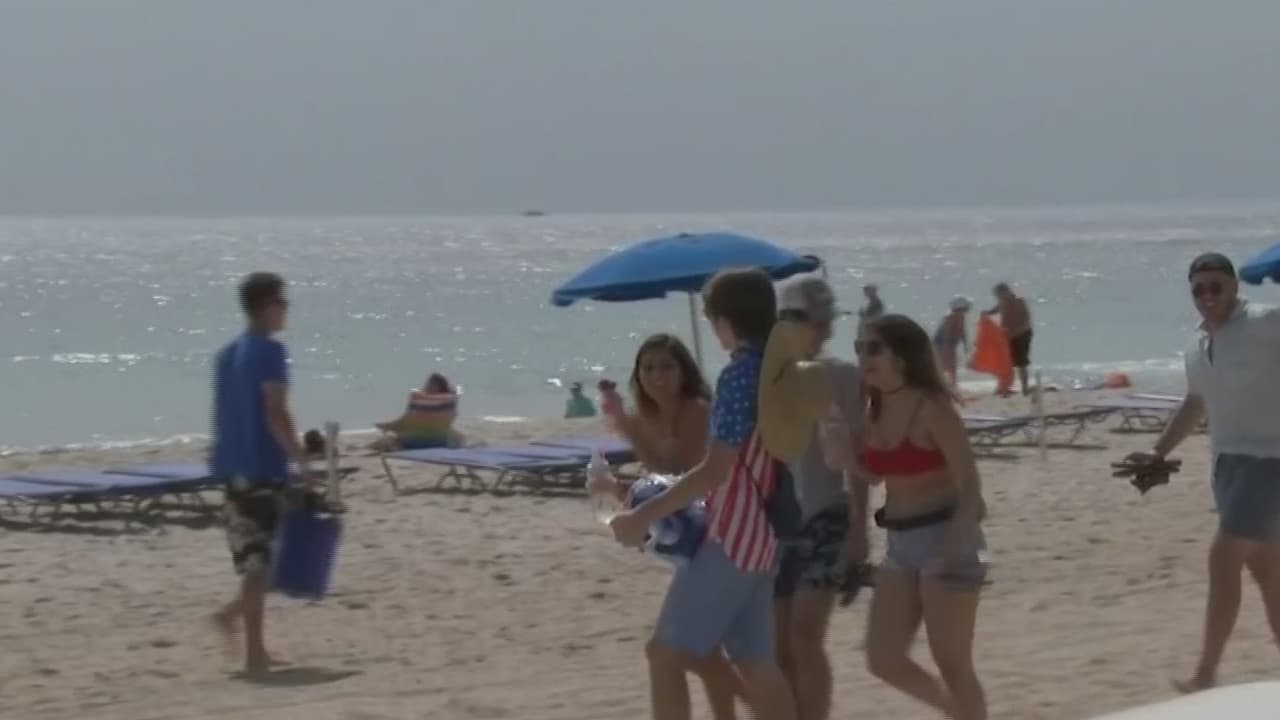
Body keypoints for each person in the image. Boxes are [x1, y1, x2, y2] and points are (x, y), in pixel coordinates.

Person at [605, 268, 797, 720]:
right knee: (754, 660)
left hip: (732, 534)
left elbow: (715, 469)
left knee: (665, 653)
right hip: (764, 535)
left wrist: (641, 516)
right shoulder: (776, 371)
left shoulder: (739, 376)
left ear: (725, 320)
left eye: (712, 319)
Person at [1125, 253, 1280, 694]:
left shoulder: (1265, 322)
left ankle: (1206, 674)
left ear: (1234, 286)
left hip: (1268, 461)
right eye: (1199, 289)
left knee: (1223, 558)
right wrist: (1158, 452)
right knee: (1268, 572)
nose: (1208, 296)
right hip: (1226, 465)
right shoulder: (1197, 343)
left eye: (1216, 286)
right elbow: (1196, 403)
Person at [597, 334, 745, 720]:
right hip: (701, 539)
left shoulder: (696, 411)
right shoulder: (656, 417)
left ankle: (767, 706)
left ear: (684, 371)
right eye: (648, 368)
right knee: (704, 650)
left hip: (722, 537)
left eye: (666, 366)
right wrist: (625, 440)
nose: (657, 375)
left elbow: (686, 485)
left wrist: (625, 434)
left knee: (675, 650)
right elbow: (660, 483)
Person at [857, 314, 989, 720]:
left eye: (873, 349)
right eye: (859, 348)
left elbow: (971, 489)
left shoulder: (932, 407)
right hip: (899, 544)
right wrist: (840, 454)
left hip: (948, 537)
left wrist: (955, 546)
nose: (863, 358)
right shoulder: (873, 407)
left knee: (953, 663)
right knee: (883, 658)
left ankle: (964, 711)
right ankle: (960, 712)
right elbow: (875, 474)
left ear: (901, 356)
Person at [772, 278, 869, 720]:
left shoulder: (842, 376)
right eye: (787, 317)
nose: (797, 326)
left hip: (827, 518)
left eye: (804, 317)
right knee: (776, 644)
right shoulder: (769, 377)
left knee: (804, 635)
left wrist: (860, 533)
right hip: (775, 523)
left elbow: (857, 460)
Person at [209, 272, 309, 675]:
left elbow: (220, 414)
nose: (286, 309)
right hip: (261, 468)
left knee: (262, 560)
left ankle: (239, 626)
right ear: (267, 306)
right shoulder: (270, 352)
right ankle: (252, 654)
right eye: (282, 302)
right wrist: (300, 457)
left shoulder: (226, 355)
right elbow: (275, 412)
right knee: (261, 564)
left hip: (233, 466)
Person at [370, 373, 460, 451]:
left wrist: (385, 426)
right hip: (441, 442)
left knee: (388, 440)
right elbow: (449, 421)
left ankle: (366, 449)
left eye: (428, 384)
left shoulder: (419, 400)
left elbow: (403, 424)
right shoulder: (449, 403)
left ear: (435, 387)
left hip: (413, 443)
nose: (425, 386)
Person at [982, 283, 1032, 396]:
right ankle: (1005, 387)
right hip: (1008, 335)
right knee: (1005, 361)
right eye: (996, 295)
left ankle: (1025, 388)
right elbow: (997, 309)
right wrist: (987, 313)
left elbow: (1025, 319)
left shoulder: (1018, 301)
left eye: (998, 294)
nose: (997, 297)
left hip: (1022, 334)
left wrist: (1014, 332)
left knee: (1021, 362)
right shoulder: (1002, 301)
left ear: (1006, 292)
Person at [934, 297, 971, 389]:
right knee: (944, 365)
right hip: (943, 344)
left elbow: (962, 331)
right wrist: (945, 347)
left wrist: (965, 344)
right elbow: (946, 333)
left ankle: (953, 386)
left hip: (950, 344)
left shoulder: (961, 317)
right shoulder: (950, 317)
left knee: (951, 366)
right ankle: (943, 385)